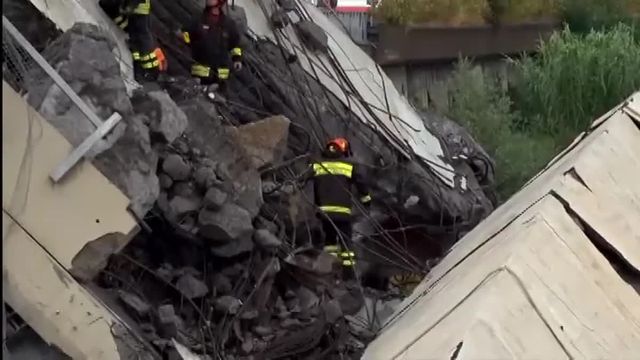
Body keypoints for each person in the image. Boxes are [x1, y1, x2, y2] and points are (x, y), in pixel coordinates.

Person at [308, 137, 372, 279]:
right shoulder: (348, 166)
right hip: (343, 214)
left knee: (330, 242)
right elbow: (362, 185)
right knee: (346, 245)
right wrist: (366, 202)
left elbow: (302, 178)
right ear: (344, 150)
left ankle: (329, 272)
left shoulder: (317, 165)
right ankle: (348, 277)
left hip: (324, 214)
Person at [178, 0, 243, 95]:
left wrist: (237, 59)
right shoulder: (198, 19)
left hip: (220, 80)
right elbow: (186, 36)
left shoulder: (229, 24)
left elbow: (235, 45)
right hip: (200, 77)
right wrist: (183, 37)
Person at [99, 0, 167, 80]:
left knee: (141, 39)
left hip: (137, 9)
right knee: (139, 39)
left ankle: (147, 72)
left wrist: (128, 7)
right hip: (135, 10)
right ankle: (143, 72)